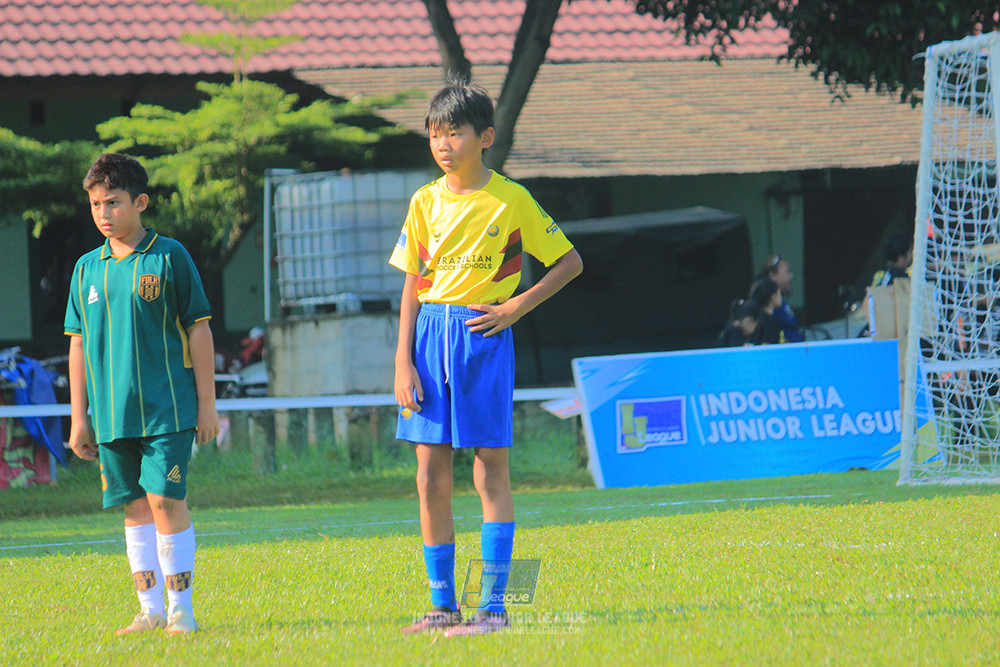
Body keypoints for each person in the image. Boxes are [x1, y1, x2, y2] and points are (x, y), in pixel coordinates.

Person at [389, 83, 583, 637]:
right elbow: (411, 286)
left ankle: (495, 608)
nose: (443, 143)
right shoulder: (423, 201)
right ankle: (443, 605)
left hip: (481, 338)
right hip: (429, 339)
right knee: (429, 472)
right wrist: (402, 361)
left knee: (489, 469)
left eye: (454, 132)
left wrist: (515, 307)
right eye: (434, 133)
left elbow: (569, 262)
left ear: (485, 137)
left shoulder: (512, 198)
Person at [64, 153, 219, 636]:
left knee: (165, 501)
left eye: (113, 202)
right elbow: (78, 343)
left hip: (167, 410)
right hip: (111, 416)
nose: (104, 213)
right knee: (134, 507)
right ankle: (149, 609)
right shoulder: (87, 269)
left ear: (141, 202)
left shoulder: (169, 256)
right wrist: (79, 417)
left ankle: (182, 611)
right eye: (95, 204)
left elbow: (199, 329)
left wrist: (207, 404)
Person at [758, 255, 804, 342]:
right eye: (787, 272)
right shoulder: (769, 303)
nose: (791, 276)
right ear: (772, 276)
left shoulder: (781, 300)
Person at [749, 277, 784, 344]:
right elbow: (767, 346)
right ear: (773, 296)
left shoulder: (753, 318)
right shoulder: (771, 322)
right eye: (780, 294)